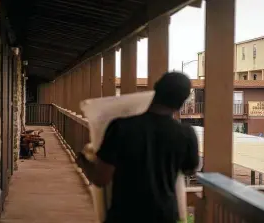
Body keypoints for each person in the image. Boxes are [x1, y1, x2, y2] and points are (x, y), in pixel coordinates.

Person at [76, 71, 199, 223]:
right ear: (182, 102)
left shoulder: (121, 127)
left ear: (155, 90)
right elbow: (189, 169)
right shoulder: (186, 134)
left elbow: (101, 178)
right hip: (165, 216)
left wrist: (82, 161)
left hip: (124, 216)